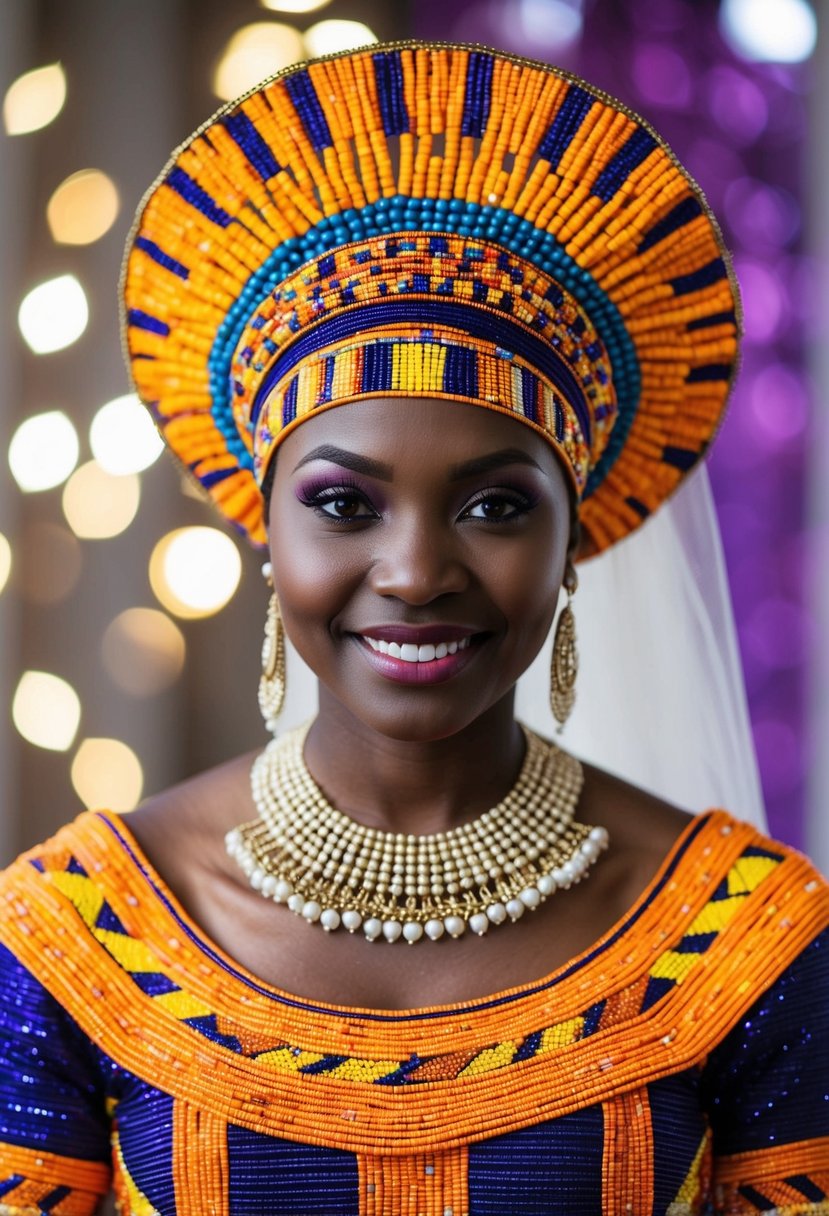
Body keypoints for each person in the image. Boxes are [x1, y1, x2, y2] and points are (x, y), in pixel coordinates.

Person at [0, 41, 827, 1216]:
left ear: (571, 536)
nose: (417, 571)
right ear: (265, 529)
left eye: (495, 505)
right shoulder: (73, 934)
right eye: (343, 504)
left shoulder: (744, 937)